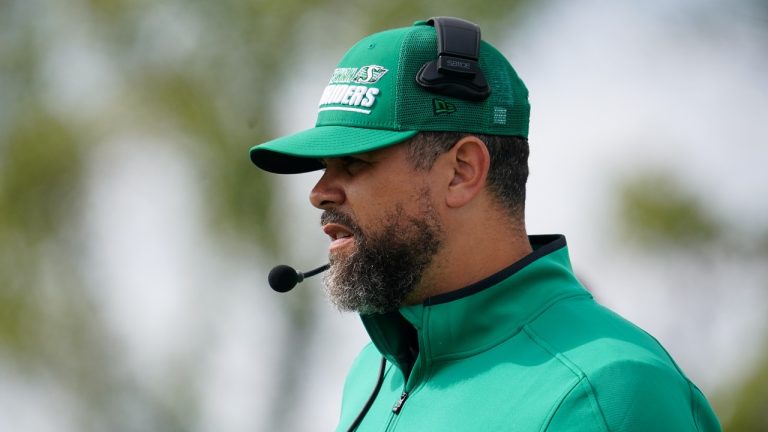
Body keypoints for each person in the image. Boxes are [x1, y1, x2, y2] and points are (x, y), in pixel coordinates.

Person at [249, 17, 721, 432]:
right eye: (323, 167)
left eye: (353, 163)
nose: (319, 193)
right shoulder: (375, 369)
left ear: (462, 171)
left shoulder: (610, 392)